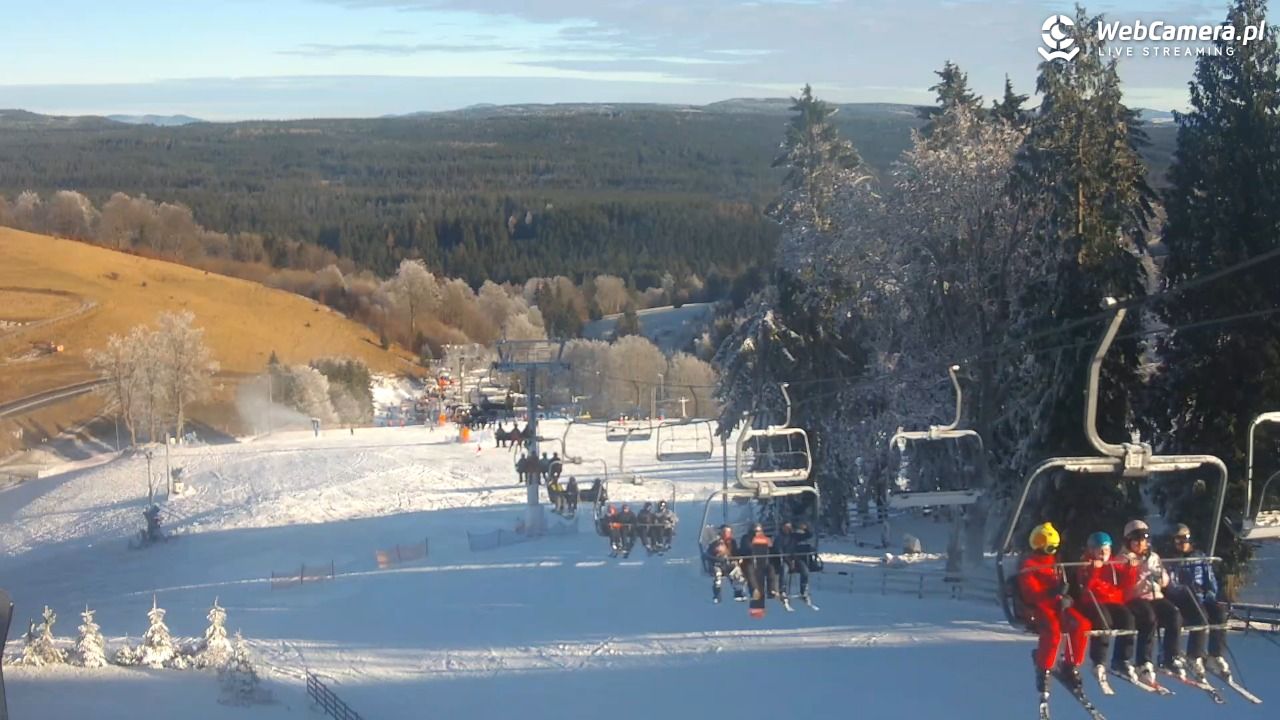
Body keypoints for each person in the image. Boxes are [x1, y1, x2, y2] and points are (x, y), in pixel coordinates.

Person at [1019, 522, 1091, 693]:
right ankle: (1043, 670)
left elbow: (1067, 585)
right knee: (1052, 632)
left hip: (1057, 605)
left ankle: (1070, 665)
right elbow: (1030, 593)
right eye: (1041, 542)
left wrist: (1067, 597)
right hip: (1039, 607)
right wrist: (1053, 592)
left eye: (1049, 546)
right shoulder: (1029, 565)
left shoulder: (1055, 563)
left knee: (1082, 625)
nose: (1045, 548)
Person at [1121, 519, 1186, 682]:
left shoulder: (1153, 557)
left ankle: (1170, 656)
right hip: (1134, 598)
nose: (1140, 544)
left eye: (1143, 539)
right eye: (1136, 540)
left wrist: (1159, 577)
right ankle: (1143, 662)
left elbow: (1165, 580)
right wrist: (1142, 576)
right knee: (1149, 618)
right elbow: (1126, 585)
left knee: (1174, 613)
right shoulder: (1124, 558)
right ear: (1128, 541)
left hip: (1154, 595)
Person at [1167, 523, 1231, 680]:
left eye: (1185, 539)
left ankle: (1215, 654)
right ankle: (1194, 654)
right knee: (1200, 615)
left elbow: (1210, 580)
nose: (1182, 544)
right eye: (1177, 541)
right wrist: (1185, 590)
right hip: (1185, 600)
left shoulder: (1199, 557)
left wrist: (1210, 593)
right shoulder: (1172, 561)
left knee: (1219, 613)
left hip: (1202, 597)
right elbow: (1171, 585)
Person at [1075, 531, 1138, 683]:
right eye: (1100, 550)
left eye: (1107, 550)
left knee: (1128, 618)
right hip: (1092, 602)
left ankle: (1122, 659)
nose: (1104, 554)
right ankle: (1099, 661)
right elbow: (1086, 587)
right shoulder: (1085, 564)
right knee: (1104, 621)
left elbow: (1125, 584)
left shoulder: (1112, 565)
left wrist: (1130, 569)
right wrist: (1094, 569)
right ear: (1092, 550)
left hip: (1112, 601)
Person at [705, 525, 745, 603]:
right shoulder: (715, 541)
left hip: (729, 563)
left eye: (728, 532)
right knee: (717, 576)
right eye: (725, 532)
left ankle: (738, 592)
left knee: (736, 573)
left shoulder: (732, 541)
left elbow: (735, 552)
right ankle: (717, 595)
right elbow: (709, 553)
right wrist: (715, 556)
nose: (727, 534)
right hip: (717, 564)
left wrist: (738, 557)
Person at [778, 522, 811, 605]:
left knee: (805, 570)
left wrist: (806, 528)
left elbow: (808, 535)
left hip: (795, 558)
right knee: (784, 570)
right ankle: (783, 591)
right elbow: (779, 551)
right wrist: (789, 562)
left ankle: (804, 590)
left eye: (789, 527)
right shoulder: (779, 538)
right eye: (786, 527)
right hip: (785, 559)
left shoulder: (794, 536)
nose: (788, 529)